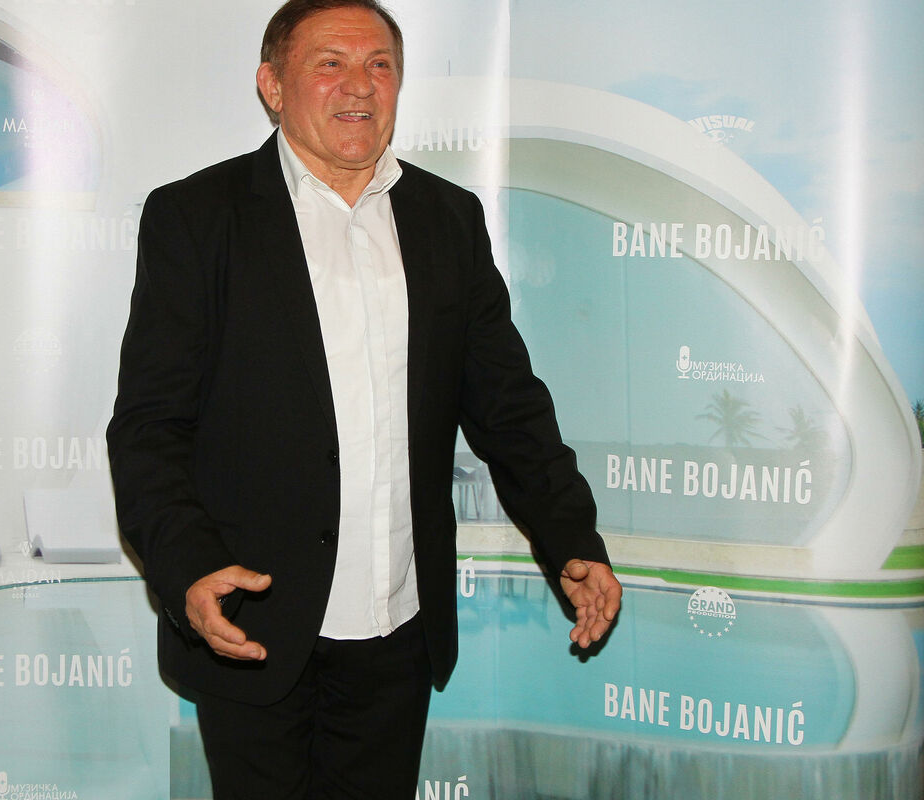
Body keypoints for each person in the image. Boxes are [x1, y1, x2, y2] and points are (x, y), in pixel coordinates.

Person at [106, 1, 623, 797]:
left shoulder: (448, 219)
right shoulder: (197, 218)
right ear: (272, 85)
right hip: (254, 628)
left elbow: (509, 407)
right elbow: (150, 428)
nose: (359, 85)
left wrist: (571, 539)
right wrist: (187, 567)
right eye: (330, 63)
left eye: (379, 64)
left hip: (397, 635)